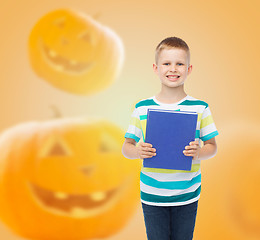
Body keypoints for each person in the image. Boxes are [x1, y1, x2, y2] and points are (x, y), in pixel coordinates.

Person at [122, 36, 219, 240]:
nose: (173, 69)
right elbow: (126, 147)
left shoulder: (200, 107)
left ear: (189, 69)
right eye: (166, 63)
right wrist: (137, 151)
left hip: (188, 194)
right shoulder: (142, 108)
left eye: (179, 64)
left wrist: (199, 152)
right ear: (156, 68)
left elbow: (212, 146)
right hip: (152, 195)